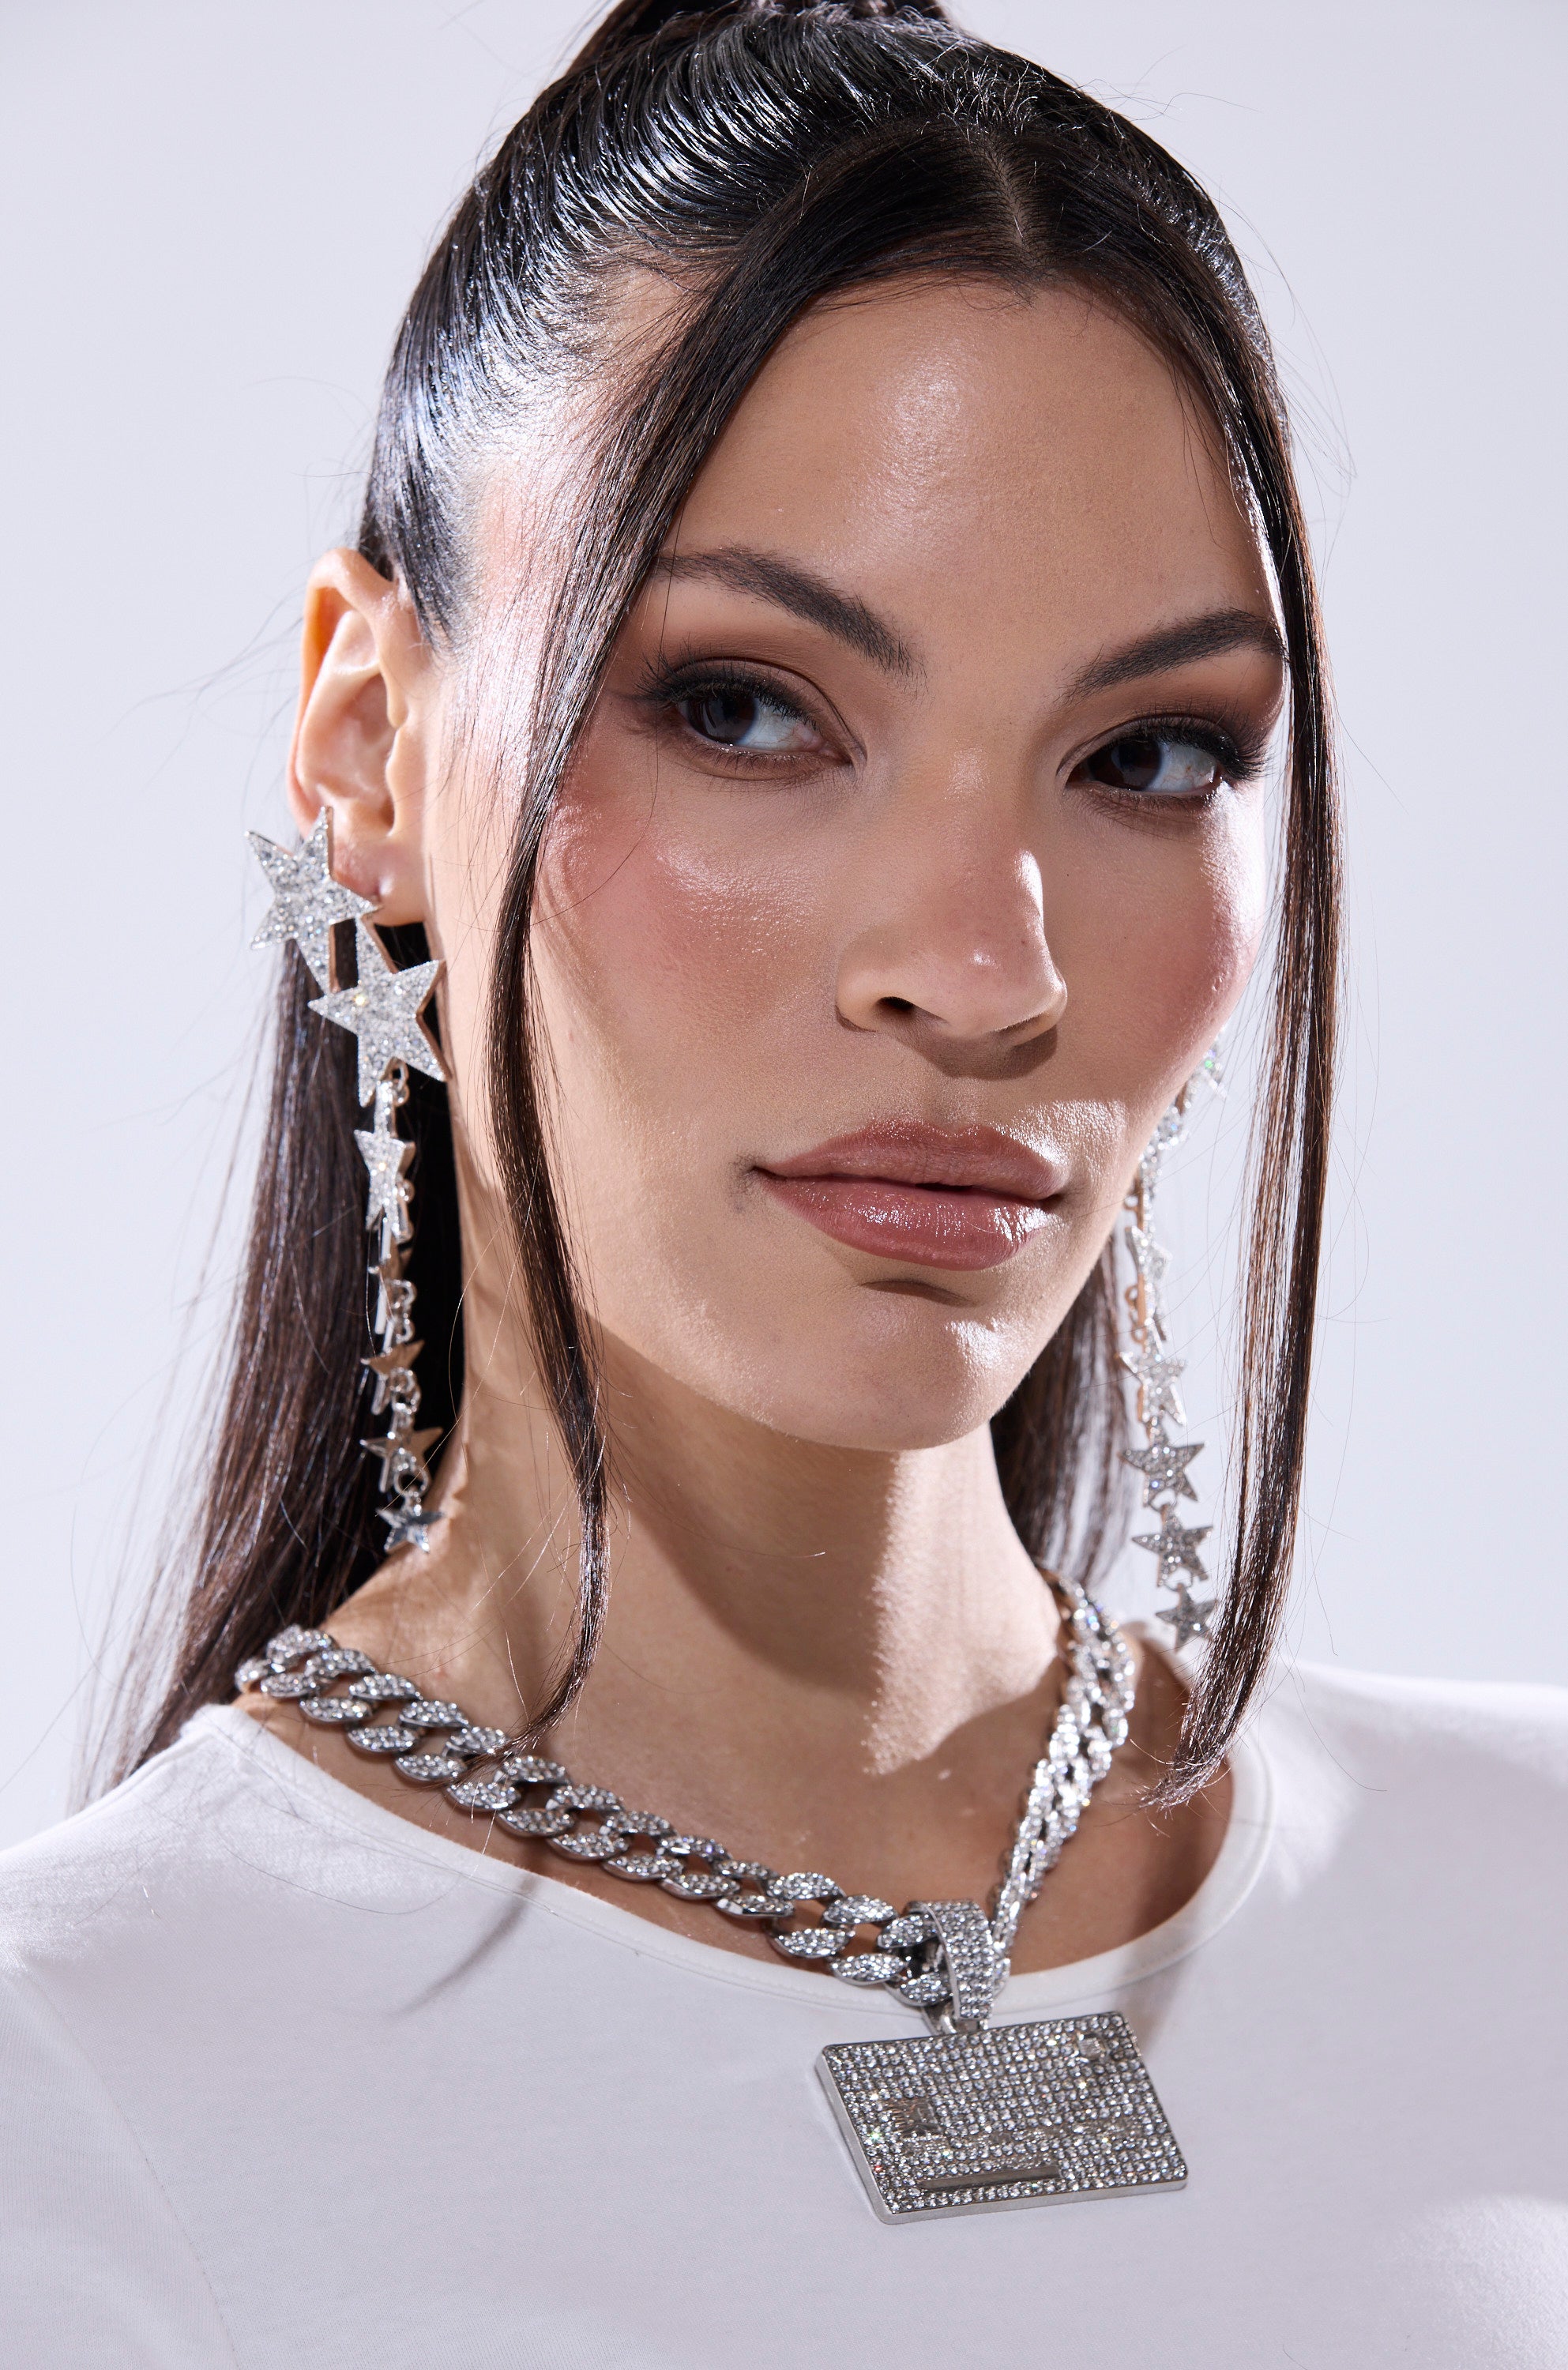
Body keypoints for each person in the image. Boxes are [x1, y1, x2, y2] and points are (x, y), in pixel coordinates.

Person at [3, 1, 1563, 2360]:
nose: (981, 966)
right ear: (366, 746)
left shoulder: (1527, 1907)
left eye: (1144, 754)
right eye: (745, 709)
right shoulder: (83, 2104)